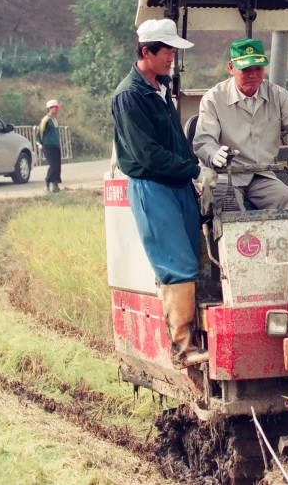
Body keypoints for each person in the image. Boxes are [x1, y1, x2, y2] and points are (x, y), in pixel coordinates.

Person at [112, 18, 213, 369]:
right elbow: (147, 155)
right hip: (153, 187)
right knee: (177, 265)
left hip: (178, 185)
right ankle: (182, 348)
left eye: (173, 50)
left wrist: (194, 169)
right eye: (167, 51)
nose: (172, 57)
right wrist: (194, 169)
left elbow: (175, 141)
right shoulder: (129, 96)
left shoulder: (160, 87)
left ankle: (195, 338)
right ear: (146, 52)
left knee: (194, 260)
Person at [194, 38, 288, 210]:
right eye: (245, 70)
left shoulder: (278, 95)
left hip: (261, 174)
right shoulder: (214, 98)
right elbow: (204, 140)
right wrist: (214, 155)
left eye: (258, 69)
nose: (253, 75)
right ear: (231, 68)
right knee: (230, 207)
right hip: (225, 175)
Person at [37, 99, 63, 192]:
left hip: (55, 145)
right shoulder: (46, 119)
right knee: (53, 165)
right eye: (55, 108)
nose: (56, 109)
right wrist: (40, 143)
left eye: (57, 108)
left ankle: (55, 185)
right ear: (49, 108)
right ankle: (47, 182)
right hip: (48, 145)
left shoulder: (54, 119)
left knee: (58, 166)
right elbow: (40, 131)